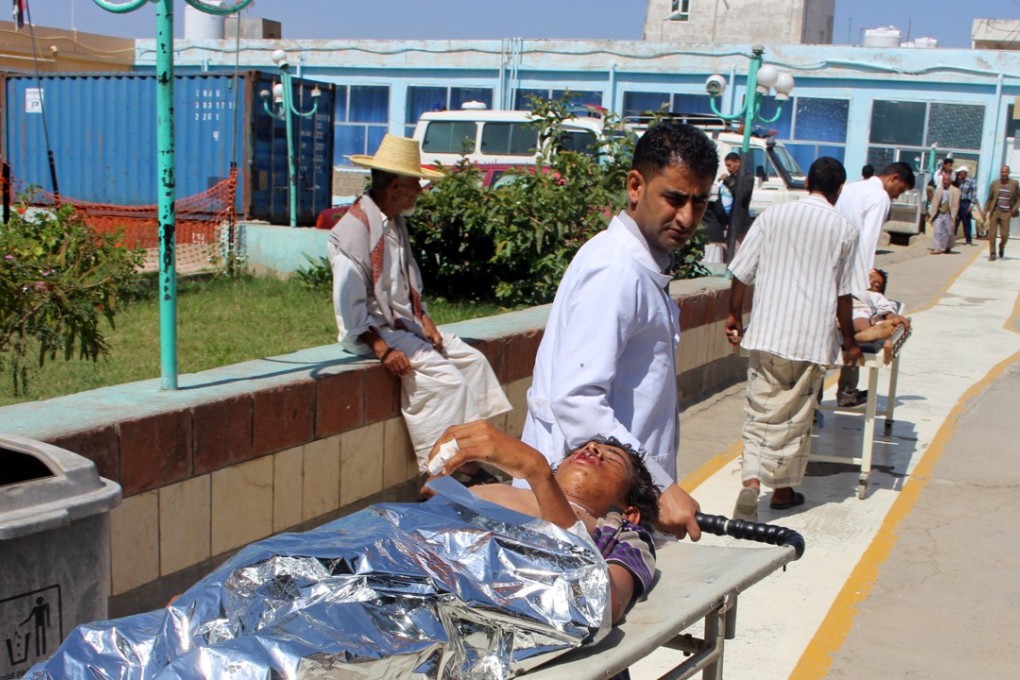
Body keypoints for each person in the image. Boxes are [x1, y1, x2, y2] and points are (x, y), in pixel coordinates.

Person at [522, 121, 720, 541]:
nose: (686, 217)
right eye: (675, 198)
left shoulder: (642, 267)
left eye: (699, 203)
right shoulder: (615, 271)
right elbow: (576, 400)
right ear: (635, 186)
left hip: (619, 503)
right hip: (584, 510)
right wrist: (661, 488)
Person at [328, 134, 512, 471]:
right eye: (415, 183)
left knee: (473, 362)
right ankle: (440, 470)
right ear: (396, 185)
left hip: (402, 323)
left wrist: (426, 321)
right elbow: (350, 308)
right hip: (373, 331)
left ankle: (472, 457)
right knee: (448, 383)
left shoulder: (393, 223)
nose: (419, 191)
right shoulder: (353, 231)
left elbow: (406, 289)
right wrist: (384, 350)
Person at [725, 157, 862, 521]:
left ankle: (752, 481)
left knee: (759, 412)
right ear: (838, 190)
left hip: (768, 331)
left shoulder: (772, 217)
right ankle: (782, 492)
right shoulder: (844, 230)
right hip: (810, 339)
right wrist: (849, 342)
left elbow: (741, 271)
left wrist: (734, 313)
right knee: (795, 419)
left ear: (807, 184)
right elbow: (844, 295)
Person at [428, 420, 660, 623]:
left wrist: (538, 472)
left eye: (614, 458)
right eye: (582, 449)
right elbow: (427, 509)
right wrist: (441, 468)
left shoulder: (622, 534)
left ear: (630, 513)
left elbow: (607, 606)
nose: (592, 448)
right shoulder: (494, 490)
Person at [834, 161, 915, 407]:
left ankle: (814, 399)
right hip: (853, 274)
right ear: (893, 178)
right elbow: (868, 240)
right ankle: (847, 390)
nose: (896, 195)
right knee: (857, 320)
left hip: (831, 266)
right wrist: (866, 278)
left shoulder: (850, 189)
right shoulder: (880, 197)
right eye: (898, 190)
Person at [848, 268, 911, 364]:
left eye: (876, 285)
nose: (871, 282)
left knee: (860, 316)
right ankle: (877, 333)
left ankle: (873, 332)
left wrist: (892, 316)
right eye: (869, 278)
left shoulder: (875, 295)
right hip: (839, 307)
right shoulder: (849, 286)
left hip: (858, 308)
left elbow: (887, 308)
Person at [983, 164, 1020, 261]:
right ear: (1000, 172)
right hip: (995, 211)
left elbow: (1019, 198)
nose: (1004, 174)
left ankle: (1001, 247)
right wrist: (985, 211)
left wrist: (1015, 208)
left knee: (1005, 235)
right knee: (992, 234)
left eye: (1006, 172)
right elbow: (990, 198)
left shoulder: (1014, 183)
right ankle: (992, 253)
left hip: (1007, 213)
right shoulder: (995, 183)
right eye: (1002, 172)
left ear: (1008, 173)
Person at [721, 151, 755, 245]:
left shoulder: (747, 178)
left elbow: (741, 195)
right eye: (726, 166)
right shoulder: (731, 178)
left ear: (737, 162)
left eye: (729, 165)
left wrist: (728, 181)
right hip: (730, 221)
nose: (728, 169)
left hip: (741, 223)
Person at [927, 171, 960, 254]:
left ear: (950, 181)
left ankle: (946, 247)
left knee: (948, 232)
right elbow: (934, 203)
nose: (945, 182)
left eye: (947, 180)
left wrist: (954, 216)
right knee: (937, 230)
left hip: (948, 214)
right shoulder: (938, 190)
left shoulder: (956, 191)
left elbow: (955, 205)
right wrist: (930, 214)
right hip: (939, 213)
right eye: (944, 180)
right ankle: (937, 248)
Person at [955, 165, 977, 246]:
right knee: (956, 221)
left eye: (961, 173)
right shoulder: (959, 181)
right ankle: (952, 238)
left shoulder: (971, 181)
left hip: (966, 203)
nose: (959, 175)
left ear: (964, 173)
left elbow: (974, 194)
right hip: (958, 202)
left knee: (966, 222)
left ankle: (968, 240)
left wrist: (971, 205)